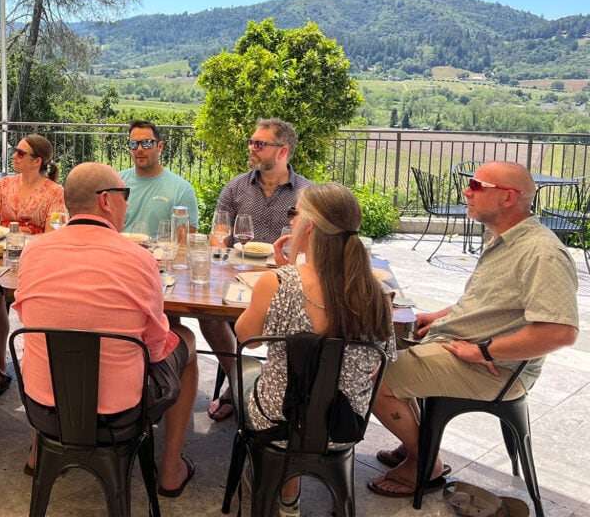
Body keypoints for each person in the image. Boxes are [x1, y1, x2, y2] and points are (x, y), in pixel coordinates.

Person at [367, 161, 579, 498]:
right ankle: (416, 440)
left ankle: (424, 462)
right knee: (373, 350)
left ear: (508, 197)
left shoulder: (542, 253)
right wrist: (441, 316)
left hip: (496, 369)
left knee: (374, 379)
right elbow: (492, 300)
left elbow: (560, 332)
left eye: (478, 186)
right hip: (461, 343)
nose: (467, 191)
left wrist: (483, 351)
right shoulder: (505, 238)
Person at [13, 162, 198, 497]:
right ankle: (171, 470)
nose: (127, 203)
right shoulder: (140, 259)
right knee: (186, 339)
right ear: (106, 201)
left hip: (41, 409)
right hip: (118, 417)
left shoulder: (32, 251)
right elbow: (156, 348)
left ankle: (37, 453)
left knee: (51, 340)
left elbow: (29, 318)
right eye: (125, 195)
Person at [234, 182, 395, 516]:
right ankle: (293, 491)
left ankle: (283, 491)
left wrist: (285, 269)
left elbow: (248, 338)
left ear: (308, 227)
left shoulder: (278, 282)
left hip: (278, 421)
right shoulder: (378, 294)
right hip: (343, 426)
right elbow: (379, 363)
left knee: (247, 373)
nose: (291, 220)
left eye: (295, 214)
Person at [205, 117, 313, 421]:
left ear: (282, 151)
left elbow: (313, 245)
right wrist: (219, 251)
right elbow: (219, 232)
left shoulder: (306, 193)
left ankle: (280, 389)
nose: (252, 147)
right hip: (237, 274)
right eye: (252, 141)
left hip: (285, 279)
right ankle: (238, 380)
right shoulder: (237, 186)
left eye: (260, 143)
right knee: (209, 318)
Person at [0, 134, 65, 396]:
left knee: (38, 305)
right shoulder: (5, 185)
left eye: (21, 153)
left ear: (37, 161)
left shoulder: (55, 192)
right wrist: (16, 234)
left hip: (37, 260)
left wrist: (10, 233)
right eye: (16, 151)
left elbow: (51, 235)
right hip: (0, 256)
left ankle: (37, 367)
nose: (14, 156)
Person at [120, 119, 199, 233]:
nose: (139, 149)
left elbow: (185, 238)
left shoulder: (181, 189)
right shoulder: (117, 183)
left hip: (161, 245)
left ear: (160, 147)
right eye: (134, 144)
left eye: (147, 143)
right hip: (119, 244)